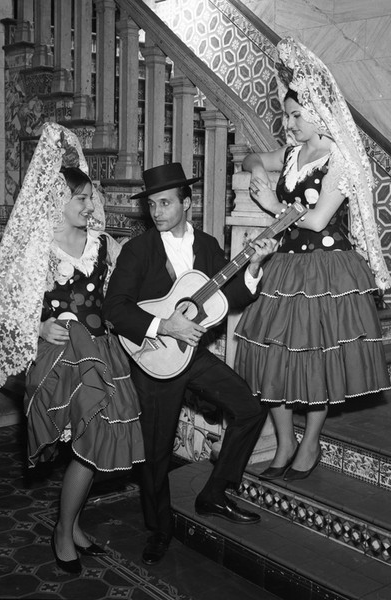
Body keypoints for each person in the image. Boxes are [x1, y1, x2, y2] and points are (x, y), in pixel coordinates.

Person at [0, 123, 144, 573]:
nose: (89, 204)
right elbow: (6, 303)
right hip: (60, 359)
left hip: (102, 354)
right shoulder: (37, 250)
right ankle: (64, 530)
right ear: (55, 202)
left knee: (96, 443)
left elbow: (120, 296)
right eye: (80, 198)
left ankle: (71, 524)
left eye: (89, 197)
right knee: (87, 444)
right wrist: (40, 327)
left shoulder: (103, 244)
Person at [103, 162, 277, 566]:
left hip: (192, 358)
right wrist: (167, 324)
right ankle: (159, 528)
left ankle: (214, 494)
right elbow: (114, 309)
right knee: (156, 452)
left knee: (249, 409)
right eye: (152, 204)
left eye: (165, 202)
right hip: (154, 361)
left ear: (187, 203)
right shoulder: (137, 250)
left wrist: (251, 269)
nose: (157, 211)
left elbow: (227, 298)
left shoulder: (209, 246)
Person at [234, 37, 391, 482]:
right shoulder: (290, 155)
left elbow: (320, 219)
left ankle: (311, 441)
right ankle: (284, 442)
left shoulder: (339, 160)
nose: (288, 124)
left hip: (325, 269)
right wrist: (261, 171)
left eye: (296, 115)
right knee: (274, 358)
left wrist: (270, 207)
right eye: (286, 115)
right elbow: (248, 156)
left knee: (315, 360)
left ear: (319, 113)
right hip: (284, 266)